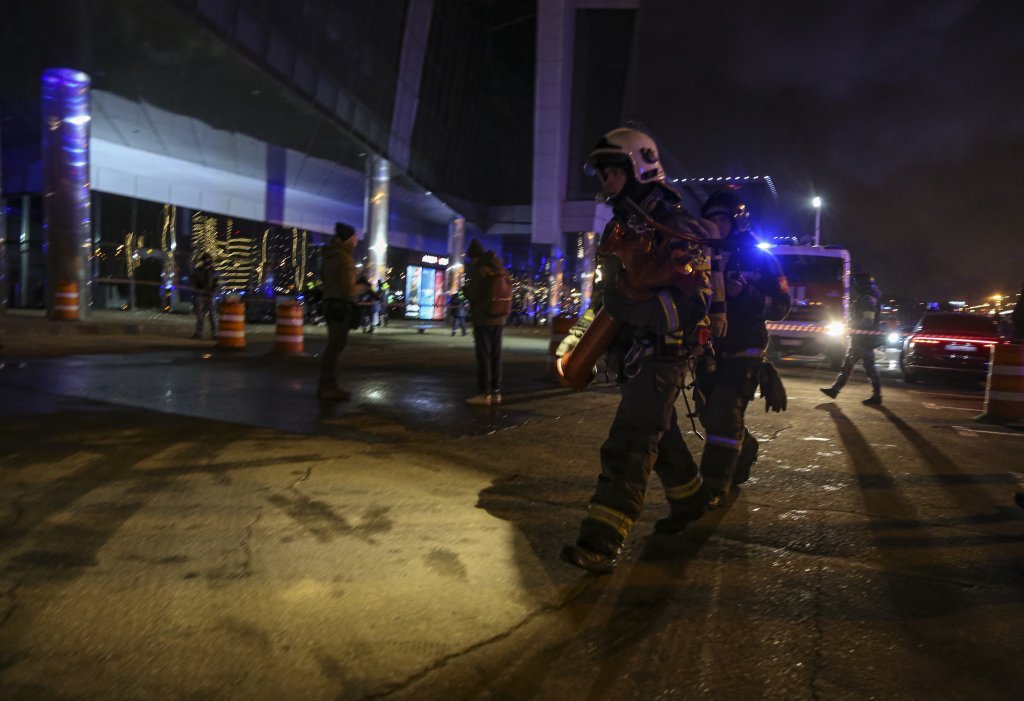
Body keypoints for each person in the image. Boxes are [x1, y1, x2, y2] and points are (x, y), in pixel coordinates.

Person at [560, 127, 723, 574]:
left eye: (614, 172)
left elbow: (694, 306)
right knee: (661, 433)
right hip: (631, 354)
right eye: (604, 173)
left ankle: (600, 541)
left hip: (662, 354)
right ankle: (690, 501)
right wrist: (580, 337)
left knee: (630, 441)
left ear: (639, 167)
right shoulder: (620, 226)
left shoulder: (672, 225)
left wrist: (641, 305)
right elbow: (605, 297)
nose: (606, 182)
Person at [696, 190, 792, 509]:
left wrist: (747, 294)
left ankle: (712, 487)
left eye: (721, 219)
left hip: (745, 350)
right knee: (709, 413)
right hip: (707, 349)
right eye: (710, 219)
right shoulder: (698, 252)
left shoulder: (760, 258)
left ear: (736, 222)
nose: (715, 226)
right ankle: (745, 446)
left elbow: (781, 306)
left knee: (724, 412)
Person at [820, 272, 884, 406]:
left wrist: (851, 325)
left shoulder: (867, 299)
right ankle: (835, 390)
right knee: (848, 365)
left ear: (862, 284)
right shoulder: (867, 297)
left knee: (868, 367)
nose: (855, 287)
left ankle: (877, 395)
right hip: (860, 338)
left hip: (864, 339)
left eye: (856, 283)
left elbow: (867, 322)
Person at [317, 222, 362, 400]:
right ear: (349, 239)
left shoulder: (328, 257)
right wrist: (363, 287)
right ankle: (328, 386)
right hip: (339, 307)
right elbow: (349, 290)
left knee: (333, 346)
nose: (357, 240)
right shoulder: (345, 258)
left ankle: (325, 385)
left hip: (328, 304)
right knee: (336, 346)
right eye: (355, 237)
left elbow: (326, 281)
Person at [462, 238, 509, 405]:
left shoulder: (479, 270)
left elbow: (474, 295)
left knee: (484, 356)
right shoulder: (499, 268)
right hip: (499, 318)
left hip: (483, 318)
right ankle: (496, 392)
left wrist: (465, 291)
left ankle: (484, 393)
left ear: (473, 256)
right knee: (496, 355)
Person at [190, 253, 219, 339]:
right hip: (200, 296)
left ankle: (214, 334)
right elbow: (193, 282)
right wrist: (198, 289)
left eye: (208, 260)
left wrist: (213, 292)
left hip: (209, 296)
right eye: (205, 260)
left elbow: (216, 284)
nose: (207, 262)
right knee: (200, 316)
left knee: (212, 316)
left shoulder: (214, 272)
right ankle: (198, 333)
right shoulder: (198, 270)